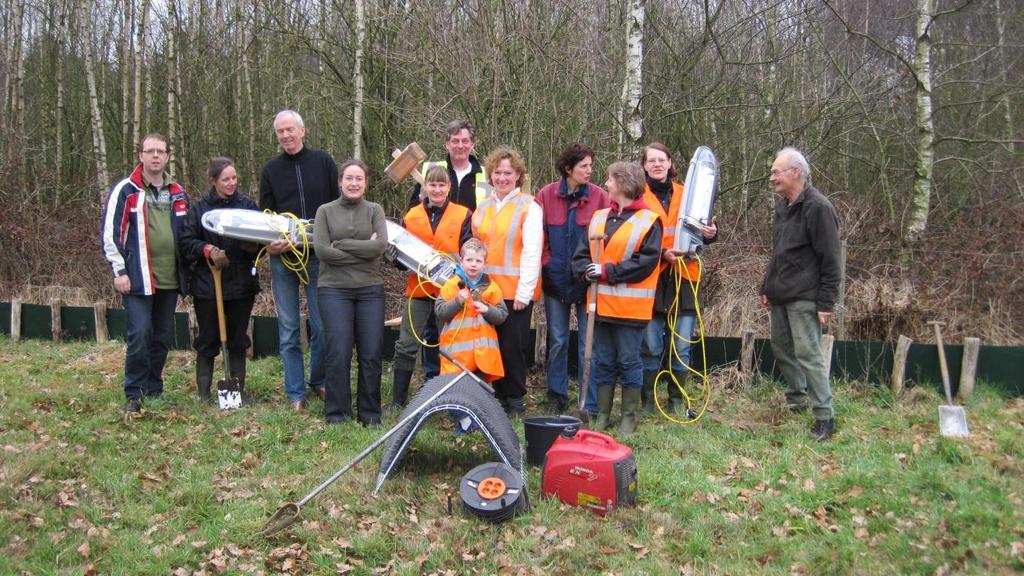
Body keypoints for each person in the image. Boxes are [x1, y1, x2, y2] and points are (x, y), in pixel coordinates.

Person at [101, 133, 190, 414]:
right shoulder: (127, 191)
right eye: (149, 151)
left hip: (169, 278)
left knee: (162, 336)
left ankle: (154, 388)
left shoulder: (177, 192)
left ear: (166, 157)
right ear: (140, 156)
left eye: (160, 151)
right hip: (138, 278)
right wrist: (119, 271)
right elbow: (112, 234)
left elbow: (187, 233)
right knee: (140, 333)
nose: (155, 156)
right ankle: (134, 393)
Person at [572, 162, 662, 435]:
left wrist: (607, 272)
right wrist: (585, 273)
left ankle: (628, 417)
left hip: (630, 309)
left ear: (623, 183)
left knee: (629, 361)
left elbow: (645, 263)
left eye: (610, 179)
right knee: (604, 361)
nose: (606, 184)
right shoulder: (599, 218)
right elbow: (580, 256)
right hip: (600, 307)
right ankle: (602, 414)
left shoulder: (649, 221)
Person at [259, 110, 339, 411]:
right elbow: (264, 216)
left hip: (319, 255)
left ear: (302, 131)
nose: (286, 136)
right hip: (284, 259)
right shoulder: (271, 170)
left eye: (290, 130)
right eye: (280, 132)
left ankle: (318, 380)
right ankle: (295, 393)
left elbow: (337, 206)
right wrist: (270, 244)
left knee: (321, 325)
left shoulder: (323, 162)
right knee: (289, 327)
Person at [760, 147, 841, 442]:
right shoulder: (783, 207)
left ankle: (824, 416)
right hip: (780, 292)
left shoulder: (818, 208)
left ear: (795, 172)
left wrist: (826, 301)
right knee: (781, 347)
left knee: (808, 353)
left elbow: (831, 259)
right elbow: (779, 253)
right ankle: (797, 399)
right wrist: (766, 286)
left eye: (775, 172)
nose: (771, 178)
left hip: (805, 295)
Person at [639, 142, 718, 414]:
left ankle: (675, 400)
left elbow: (703, 230)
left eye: (662, 159)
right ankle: (647, 402)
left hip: (685, 277)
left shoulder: (689, 193)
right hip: (652, 279)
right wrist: (661, 254)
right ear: (644, 166)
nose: (657, 164)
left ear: (670, 163)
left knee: (681, 346)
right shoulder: (638, 196)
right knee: (650, 346)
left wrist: (711, 232)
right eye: (652, 161)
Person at [388, 165, 472, 410]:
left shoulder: (463, 214)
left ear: (449, 187)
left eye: (441, 185)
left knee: (450, 348)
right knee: (406, 346)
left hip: (449, 295)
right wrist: (393, 257)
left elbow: (469, 255)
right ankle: (397, 403)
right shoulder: (412, 215)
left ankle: (450, 402)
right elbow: (401, 260)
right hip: (418, 291)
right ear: (425, 187)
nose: (437, 189)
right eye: (432, 185)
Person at [535, 143, 610, 415]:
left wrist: (596, 267)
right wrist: (548, 263)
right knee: (558, 339)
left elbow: (610, 235)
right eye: (584, 166)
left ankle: (587, 400)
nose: (590, 171)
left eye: (591, 165)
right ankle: (557, 394)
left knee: (588, 341)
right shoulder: (545, 195)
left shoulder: (601, 198)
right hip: (555, 281)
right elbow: (537, 234)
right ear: (568, 169)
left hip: (587, 281)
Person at [179, 157, 260, 402]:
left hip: (241, 285)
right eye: (225, 179)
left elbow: (261, 238)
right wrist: (207, 250)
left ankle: (237, 392)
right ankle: (204, 394)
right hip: (208, 286)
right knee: (207, 339)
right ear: (214, 181)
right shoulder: (200, 208)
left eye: (234, 178)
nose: (231, 183)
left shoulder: (246, 205)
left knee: (237, 340)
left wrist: (251, 245)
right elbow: (185, 240)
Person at [313, 159, 388, 426]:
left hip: (370, 290)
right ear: (340, 182)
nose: (354, 183)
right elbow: (322, 251)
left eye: (359, 179)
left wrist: (342, 244)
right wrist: (362, 250)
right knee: (339, 351)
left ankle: (370, 415)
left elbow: (380, 247)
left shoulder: (374, 210)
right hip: (334, 290)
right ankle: (337, 415)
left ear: (365, 183)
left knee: (370, 353)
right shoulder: (325, 211)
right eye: (349, 178)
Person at [472, 147, 543, 417]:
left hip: (515, 292)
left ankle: (514, 400)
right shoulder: (484, 207)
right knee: (491, 347)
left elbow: (532, 251)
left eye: (508, 173)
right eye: (497, 173)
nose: (502, 178)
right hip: (486, 291)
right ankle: (495, 398)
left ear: (518, 176)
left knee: (513, 348)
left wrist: (525, 291)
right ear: (490, 175)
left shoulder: (529, 206)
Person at [435, 239, 508, 382]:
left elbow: (502, 315)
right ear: (461, 261)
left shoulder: (491, 287)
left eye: (478, 261)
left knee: (479, 393)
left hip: (482, 358)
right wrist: (457, 301)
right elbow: (440, 312)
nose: (473, 264)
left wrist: (487, 310)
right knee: (455, 392)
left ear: (485, 264)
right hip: (455, 357)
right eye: (469, 260)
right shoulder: (451, 285)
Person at [407, 120, 487, 212]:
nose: (460, 146)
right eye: (455, 141)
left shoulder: (487, 176)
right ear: (447, 144)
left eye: (465, 141)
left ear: (472, 144)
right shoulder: (430, 171)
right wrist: (421, 199)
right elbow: (411, 213)